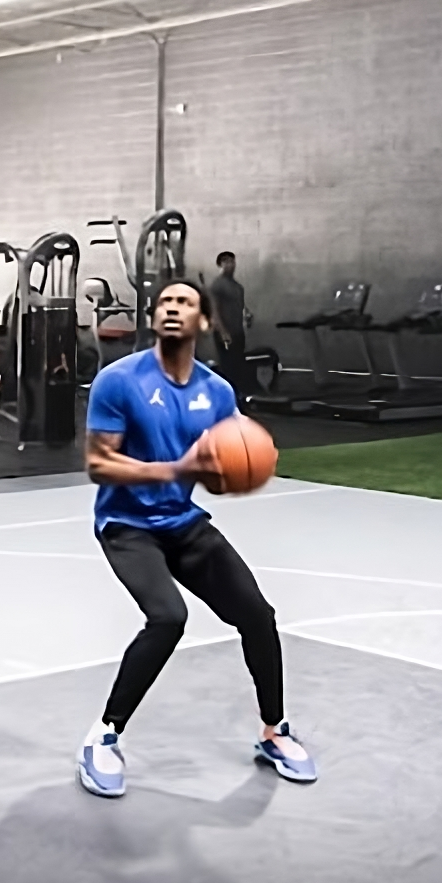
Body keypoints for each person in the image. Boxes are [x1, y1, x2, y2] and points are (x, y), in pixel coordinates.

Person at [76, 278, 315, 798]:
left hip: (182, 521)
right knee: (168, 617)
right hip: (127, 526)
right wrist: (174, 469)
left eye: (184, 303)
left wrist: (231, 470)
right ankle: (103, 737)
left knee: (258, 614)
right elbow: (98, 463)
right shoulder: (119, 380)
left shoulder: (219, 392)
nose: (172, 309)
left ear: (203, 321)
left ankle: (274, 731)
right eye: (164, 302)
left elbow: (226, 454)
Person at [205, 251, 250, 393]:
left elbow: (241, 306)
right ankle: (226, 398)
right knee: (228, 368)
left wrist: (247, 314)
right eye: (226, 262)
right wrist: (223, 332)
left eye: (232, 261)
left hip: (238, 332)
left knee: (238, 366)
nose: (230, 265)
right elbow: (214, 311)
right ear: (220, 265)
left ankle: (238, 398)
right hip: (225, 333)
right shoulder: (217, 285)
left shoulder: (237, 286)